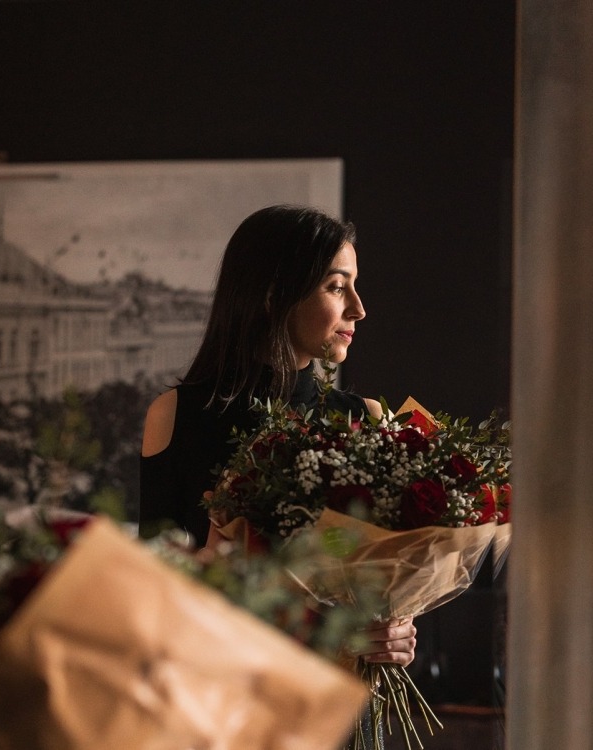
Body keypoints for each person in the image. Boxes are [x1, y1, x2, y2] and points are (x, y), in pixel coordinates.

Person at [139, 204, 416, 748]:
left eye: (354, 286)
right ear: (272, 295)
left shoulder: (367, 419)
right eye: (338, 287)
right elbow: (153, 594)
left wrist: (396, 631)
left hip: (339, 715)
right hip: (217, 712)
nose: (359, 308)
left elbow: (385, 582)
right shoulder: (173, 416)